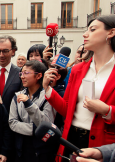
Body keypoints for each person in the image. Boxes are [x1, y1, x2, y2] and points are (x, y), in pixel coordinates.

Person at [43, 15, 115, 162]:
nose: (85, 34)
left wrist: (107, 111)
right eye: (86, 30)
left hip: (102, 144)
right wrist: (47, 89)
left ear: (111, 33)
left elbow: (108, 111)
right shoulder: (77, 70)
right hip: (71, 139)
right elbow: (66, 109)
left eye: (93, 30)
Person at [9, 60, 56, 162]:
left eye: (26, 73)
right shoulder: (17, 95)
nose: (22, 76)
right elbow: (12, 123)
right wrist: (36, 129)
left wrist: (29, 104)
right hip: (21, 147)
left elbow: (48, 125)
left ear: (38, 76)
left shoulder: (48, 96)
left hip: (41, 150)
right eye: (21, 73)